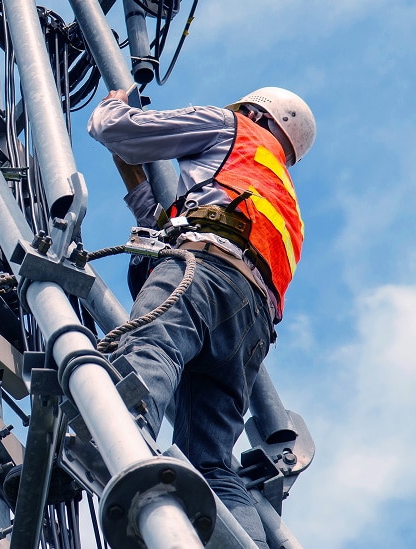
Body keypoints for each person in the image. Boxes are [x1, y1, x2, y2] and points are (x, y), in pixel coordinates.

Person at [87, 86, 315, 548]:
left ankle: (118, 444)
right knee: (211, 465)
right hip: (250, 324)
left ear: (258, 113)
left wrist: (114, 103)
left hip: (204, 273)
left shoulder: (234, 128)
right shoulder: (278, 192)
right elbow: (177, 218)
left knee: (149, 349)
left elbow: (114, 130)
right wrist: (137, 186)